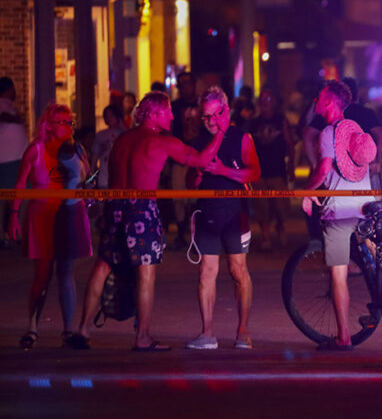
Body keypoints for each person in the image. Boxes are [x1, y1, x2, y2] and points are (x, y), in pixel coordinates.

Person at [67, 91, 225, 351]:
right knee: (146, 271)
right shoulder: (162, 141)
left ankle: (82, 329)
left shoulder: (121, 140)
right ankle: (142, 336)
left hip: (116, 206)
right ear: (153, 114)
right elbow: (202, 160)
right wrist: (220, 132)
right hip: (141, 208)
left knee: (103, 265)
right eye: (167, 112)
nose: (172, 116)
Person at [8, 104, 92, 349]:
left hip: (70, 212)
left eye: (70, 122)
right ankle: (33, 327)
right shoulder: (35, 149)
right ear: (49, 125)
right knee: (42, 274)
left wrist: (91, 196)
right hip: (43, 214)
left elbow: (86, 179)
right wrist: (14, 214)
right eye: (63, 121)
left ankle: (67, 329)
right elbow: (21, 183)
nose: (68, 126)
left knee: (67, 273)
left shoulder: (77, 149)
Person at [185, 87, 261, 350]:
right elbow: (189, 180)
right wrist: (194, 177)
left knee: (238, 270)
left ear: (225, 112)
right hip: (207, 211)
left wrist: (224, 171)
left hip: (236, 212)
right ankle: (207, 333)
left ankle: (243, 331)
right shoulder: (198, 140)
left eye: (212, 116)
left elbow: (254, 173)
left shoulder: (241, 138)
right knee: (206, 272)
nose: (208, 122)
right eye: (204, 117)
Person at [303, 80, 377, 350]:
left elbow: (323, 171)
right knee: (374, 255)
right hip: (364, 205)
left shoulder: (327, 133)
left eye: (321, 97)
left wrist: (306, 191)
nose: (317, 100)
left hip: (340, 211)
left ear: (331, 102)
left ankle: (344, 336)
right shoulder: (356, 129)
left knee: (338, 274)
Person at [250, 88, 296, 250]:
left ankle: (281, 228)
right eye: (262, 99)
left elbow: (290, 145)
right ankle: (266, 236)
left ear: (274, 102)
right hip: (258, 172)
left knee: (280, 206)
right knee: (261, 206)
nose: (265, 103)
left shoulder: (281, 120)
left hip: (277, 170)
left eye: (268, 99)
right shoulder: (253, 122)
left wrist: (291, 167)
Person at [168, 72, 201, 249]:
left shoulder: (202, 104)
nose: (185, 87)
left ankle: (197, 235)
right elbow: (170, 130)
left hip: (199, 158)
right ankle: (181, 234)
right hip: (179, 158)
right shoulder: (174, 106)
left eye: (188, 83)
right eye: (182, 85)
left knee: (196, 198)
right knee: (178, 198)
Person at [0, 77, 29, 248]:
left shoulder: (9, 105)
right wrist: (14, 119)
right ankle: (13, 234)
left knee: (21, 196)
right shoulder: (3, 105)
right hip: (8, 159)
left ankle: (16, 232)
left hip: (15, 159)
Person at [91, 104, 126, 188]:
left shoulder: (125, 134)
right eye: (107, 116)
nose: (109, 118)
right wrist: (91, 173)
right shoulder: (101, 135)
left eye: (112, 115)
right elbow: (95, 156)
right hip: (105, 174)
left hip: (121, 175)